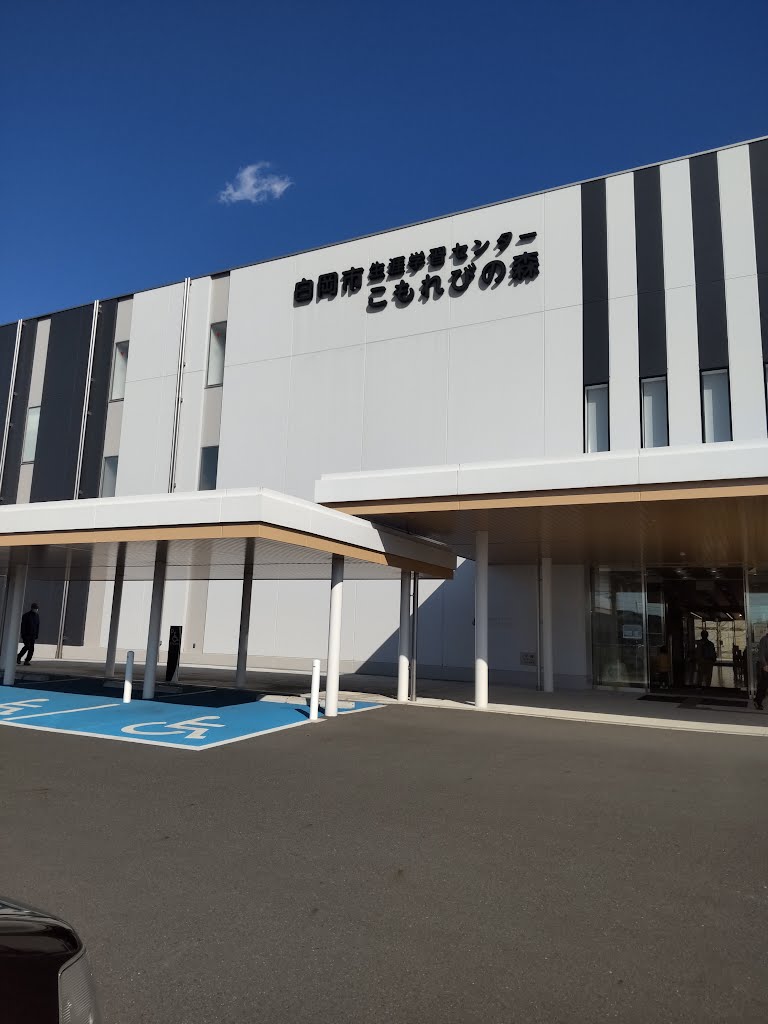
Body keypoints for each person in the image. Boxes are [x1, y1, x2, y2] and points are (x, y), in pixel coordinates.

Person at [755, 628, 768, 710]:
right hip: (765, 666)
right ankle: (758, 701)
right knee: (763, 685)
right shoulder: (764, 640)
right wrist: (765, 665)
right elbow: (761, 654)